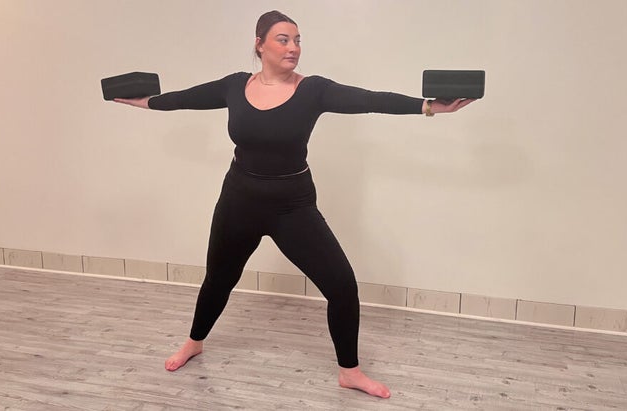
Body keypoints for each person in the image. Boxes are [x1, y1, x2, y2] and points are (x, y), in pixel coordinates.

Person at [115, 10, 473, 399]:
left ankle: (349, 371)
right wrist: (145, 102)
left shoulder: (313, 90)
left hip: (293, 205)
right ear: (260, 44)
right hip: (239, 201)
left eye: (298, 40)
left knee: (341, 286)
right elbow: (185, 99)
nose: (293, 48)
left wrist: (430, 107)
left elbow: (371, 100)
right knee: (219, 278)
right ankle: (194, 342)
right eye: (284, 39)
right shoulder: (234, 86)